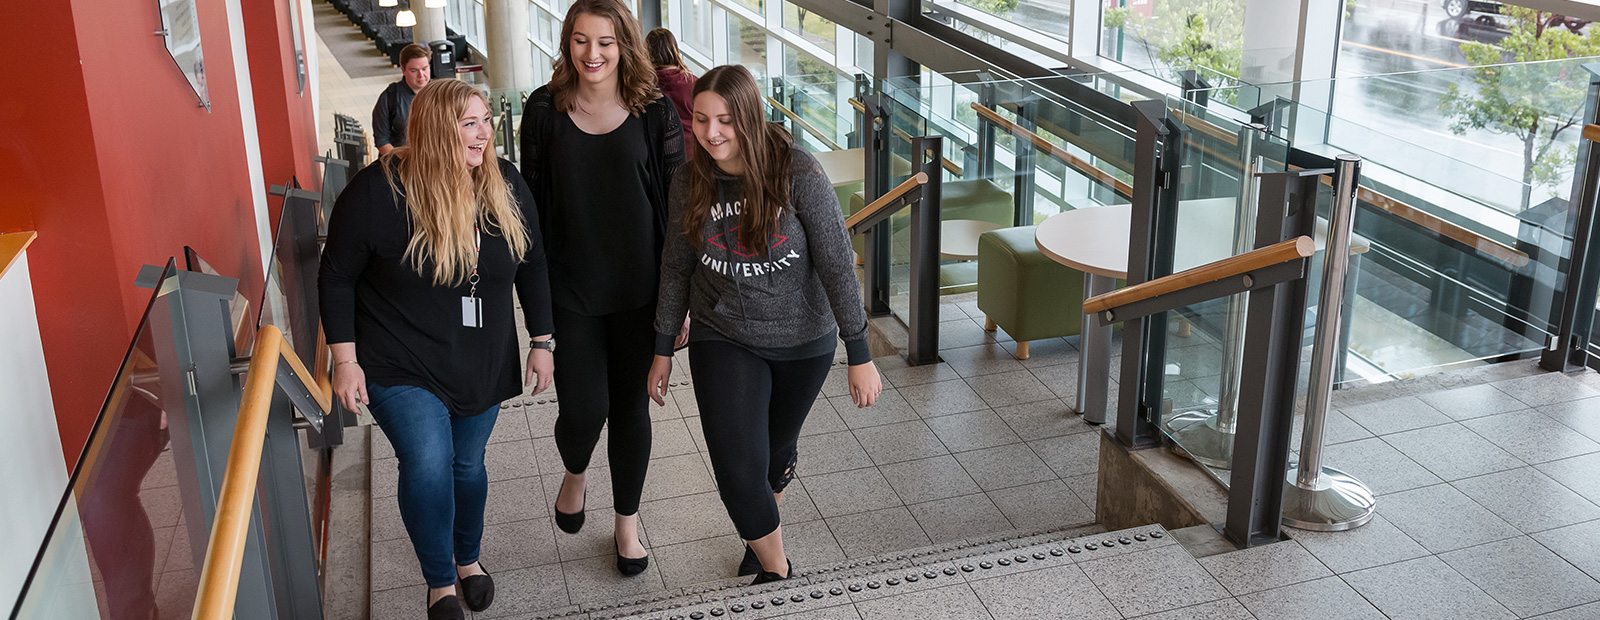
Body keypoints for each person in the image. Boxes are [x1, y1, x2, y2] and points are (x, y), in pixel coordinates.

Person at [321, 78, 555, 620]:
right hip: (397, 357)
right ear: (431, 130)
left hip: (480, 356)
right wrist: (345, 360)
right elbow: (336, 275)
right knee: (428, 463)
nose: (483, 135)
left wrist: (542, 341)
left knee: (467, 466)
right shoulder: (378, 191)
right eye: (468, 124)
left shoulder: (505, 185)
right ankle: (440, 580)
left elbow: (534, 263)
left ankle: (468, 559)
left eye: (485, 122)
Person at [646, 64, 881, 585]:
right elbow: (676, 265)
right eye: (703, 119)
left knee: (771, 459)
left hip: (803, 339)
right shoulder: (689, 179)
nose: (711, 133)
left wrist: (859, 352)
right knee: (737, 468)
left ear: (749, 117)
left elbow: (837, 262)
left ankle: (762, 525)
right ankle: (779, 570)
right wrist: (662, 348)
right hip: (722, 331)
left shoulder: (797, 172)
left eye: (725, 120)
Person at [517, 0, 685, 576]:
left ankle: (627, 528)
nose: (593, 54)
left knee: (632, 409)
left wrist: (678, 302)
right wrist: (531, 306)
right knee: (585, 409)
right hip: (572, 290)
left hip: (641, 289)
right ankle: (575, 471)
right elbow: (529, 212)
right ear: (567, 44)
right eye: (582, 41)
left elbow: (678, 209)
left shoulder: (655, 111)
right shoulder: (543, 110)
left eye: (606, 42)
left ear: (625, 46)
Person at [373, 44, 432, 156]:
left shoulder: (441, 94)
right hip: (400, 165)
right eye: (414, 71)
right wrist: (406, 163)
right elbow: (382, 141)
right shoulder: (389, 97)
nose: (421, 75)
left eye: (424, 69)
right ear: (403, 70)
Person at [645, 28, 696, 157]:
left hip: (659, 157)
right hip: (691, 155)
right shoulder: (693, 83)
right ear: (674, 49)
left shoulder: (644, 87)